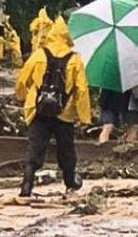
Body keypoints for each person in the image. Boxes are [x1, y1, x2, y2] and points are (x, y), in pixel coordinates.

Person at [14, 16, 92, 198]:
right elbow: (82, 90)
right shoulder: (75, 59)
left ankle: (27, 182)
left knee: (35, 147)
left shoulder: (39, 54)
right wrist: (84, 117)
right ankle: (70, 181)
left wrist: (25, 99)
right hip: (64, 112)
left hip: (39, 109)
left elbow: (22, 80)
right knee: (66, 149)